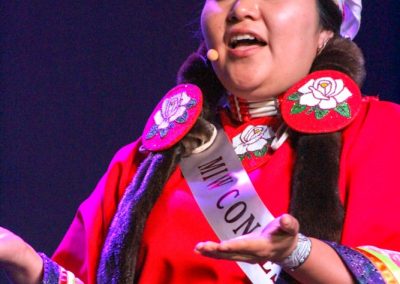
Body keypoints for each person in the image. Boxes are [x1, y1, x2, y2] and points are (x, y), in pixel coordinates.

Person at [1, 0, 400, 283]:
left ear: (326, 30)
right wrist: (24, 265)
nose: (241, 8)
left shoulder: (383, 134)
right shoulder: (146, 160)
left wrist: (297, 254)